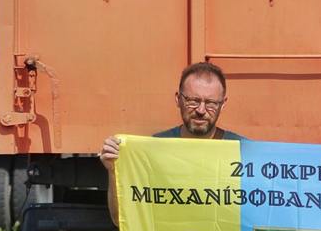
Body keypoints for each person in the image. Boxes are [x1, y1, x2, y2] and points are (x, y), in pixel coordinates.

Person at [99, 62, 244, 222]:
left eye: (211, 103)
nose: (201, 110)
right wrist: (113, 171)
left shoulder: (244, 152)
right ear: (178, 99)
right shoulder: (153, 150)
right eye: (193, 100)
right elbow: (120, 219)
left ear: (223, 104)